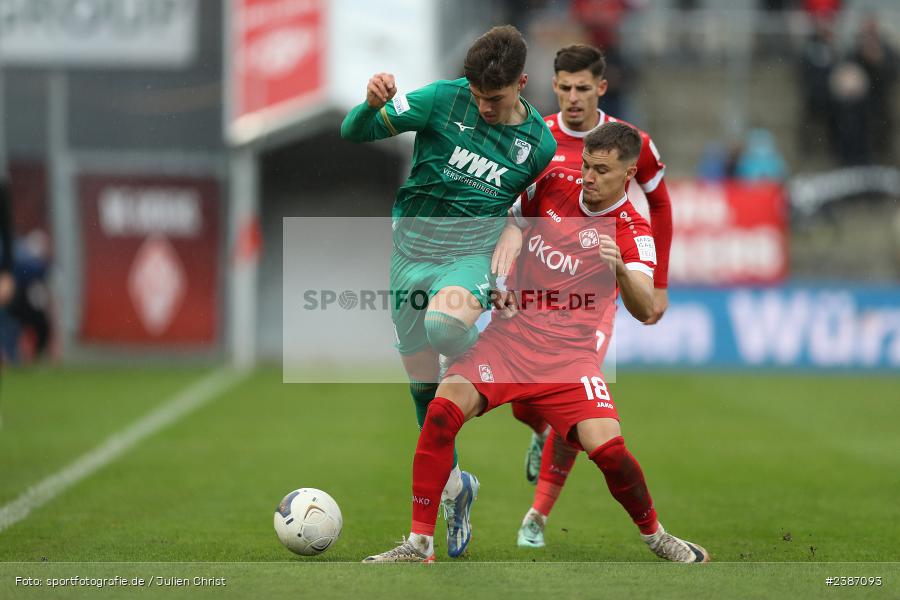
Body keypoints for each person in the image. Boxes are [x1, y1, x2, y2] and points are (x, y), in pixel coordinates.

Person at [362, 122, 709, 563]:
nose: (587, 176)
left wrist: (621, 270)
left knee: (611, 452)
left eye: (601, 170)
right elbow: (507, 214)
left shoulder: (631, 231)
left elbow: (644, 309)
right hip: (509, 340)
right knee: (440, 414)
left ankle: (657, 535)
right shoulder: (553, 185)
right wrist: (510, 236)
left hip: (569, 362)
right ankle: (418, 545)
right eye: (585, 165)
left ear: (627, 175)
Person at [340, 25, 557, 557]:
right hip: (408, 256)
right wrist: (369, 105)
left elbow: (530, 209)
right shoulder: (441, 100)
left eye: (496, 98)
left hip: (467, 259)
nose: (484, 106)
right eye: (478, 95)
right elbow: (355, 132)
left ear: (522, 84)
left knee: (444, 326)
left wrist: (513, 230)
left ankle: (495, 365)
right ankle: (456, 488)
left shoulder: (539, 145)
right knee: (423, 393)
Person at [511, 45, 674, 545]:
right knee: (524, 404)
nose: (573, 97)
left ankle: (536, 517)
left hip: (591, 299)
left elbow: (660, 207)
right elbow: (516, 203)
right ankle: (540, 429)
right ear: (554, 85)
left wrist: (658, 280)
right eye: (564, 86)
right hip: (532, 286)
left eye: (584, 87)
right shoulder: (536, 133)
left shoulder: (631, 143)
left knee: (578, 394)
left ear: (601, 88)